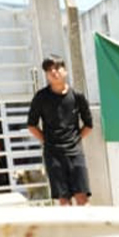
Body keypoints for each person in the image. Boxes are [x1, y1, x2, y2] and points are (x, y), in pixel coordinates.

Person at [28, 55, 94, 205]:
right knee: (64, 200)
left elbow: (89, 125)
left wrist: (75, 140)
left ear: (65, 71)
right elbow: (32, 125)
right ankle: (70, 228)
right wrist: (47, 141)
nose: (54, 72)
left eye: (57, 68)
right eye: (49, 70)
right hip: (53, 155)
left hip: (75, 153)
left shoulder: (77, 97)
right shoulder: (41, 97)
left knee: (82, 197)